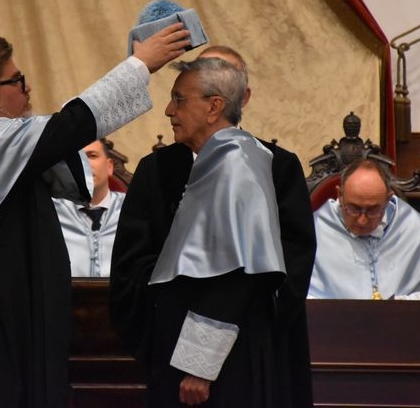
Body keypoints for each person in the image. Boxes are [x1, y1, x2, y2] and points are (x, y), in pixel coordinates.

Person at [0, 24, 191, 407]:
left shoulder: (0, 135)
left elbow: (62, 145)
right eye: (17, 81)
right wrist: (140, 65)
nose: (27, 90)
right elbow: (68, 127)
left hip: (28, 303)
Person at [110, 46, 316, 408]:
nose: (168, 110)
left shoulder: (243, 164)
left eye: (178, 99)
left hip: (232, 354)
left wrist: (200, 361)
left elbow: (238, 273)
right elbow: (135, 256)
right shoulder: (162, 168)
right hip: (176, 347)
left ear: (214, 106)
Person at [309, 157, 420, 299]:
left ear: (388, 199)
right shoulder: (315, 229)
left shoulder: (413, 227)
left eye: (372, 210)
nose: (362, 221)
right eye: (354, 208)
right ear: (340, 195)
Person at [53, 138, 124, 277]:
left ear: (109, 167)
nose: (84, 164)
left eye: (92, 156)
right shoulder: (52, 211)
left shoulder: (131, 208)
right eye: (77, 158)